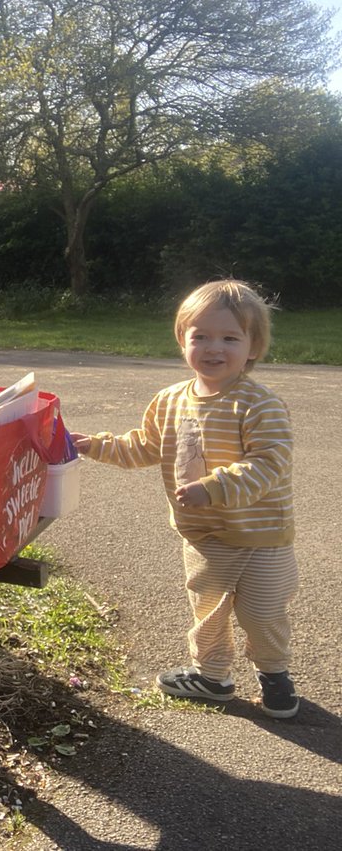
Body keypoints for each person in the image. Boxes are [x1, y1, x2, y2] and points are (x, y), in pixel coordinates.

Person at [70, 279, 298, 718]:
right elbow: (142, 445)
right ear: (183, 341)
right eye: (201, 336)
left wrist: (213, 487)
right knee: (208, 610)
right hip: (204, 536)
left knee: (264, 613)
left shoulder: (259, 405)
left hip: (261, 536)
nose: (214, 347)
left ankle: (274, 675)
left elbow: (270, 463)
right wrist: (95, 444)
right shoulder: (170, 401)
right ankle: (212, 677)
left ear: (253, 347)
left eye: (230, 338)